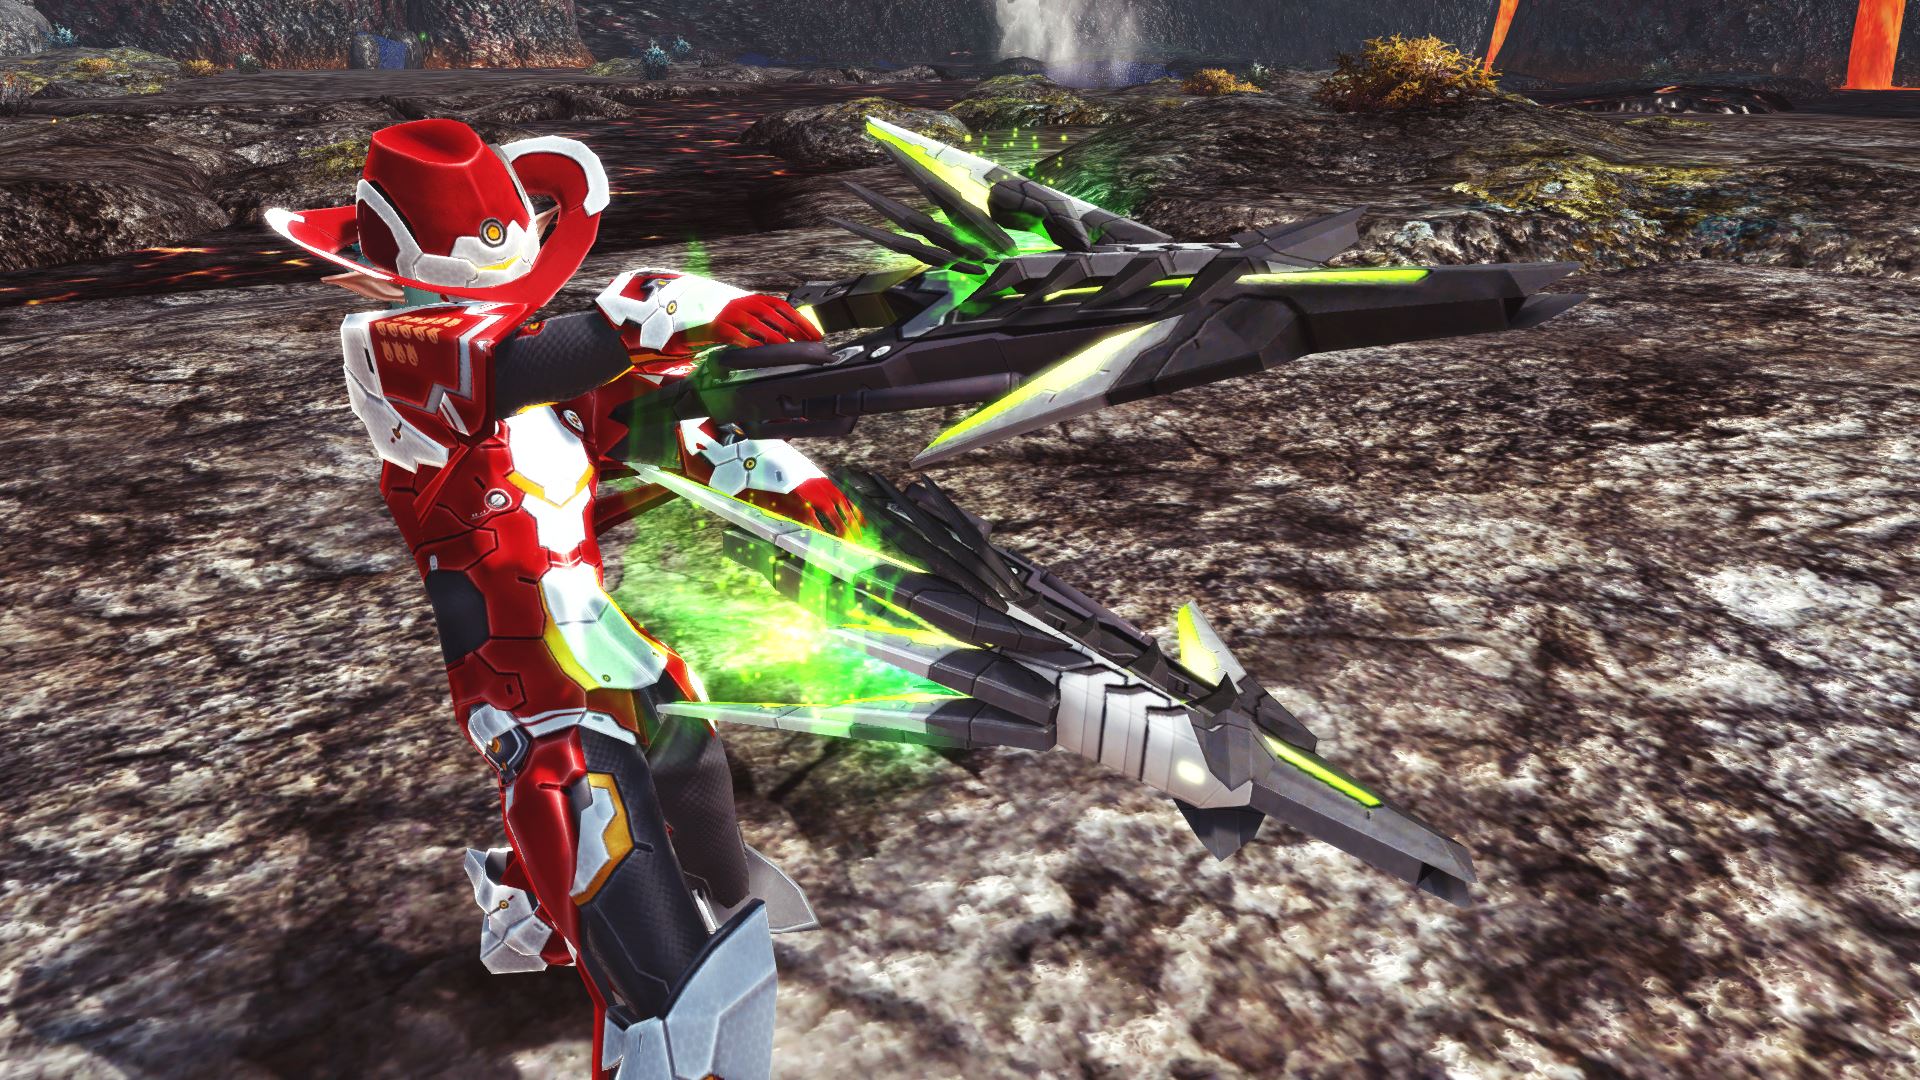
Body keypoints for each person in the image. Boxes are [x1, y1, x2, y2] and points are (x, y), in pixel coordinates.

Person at [268, 117, 855, 1080]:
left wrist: (785, 475)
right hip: (530, 693)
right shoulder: (391, 351)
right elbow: (535, 361)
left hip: (607, 651)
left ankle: (545, 908)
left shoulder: (548, 379)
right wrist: (671, 310)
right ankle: (618, 973)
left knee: (692, 765)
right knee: (658, 983)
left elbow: (669, 429)